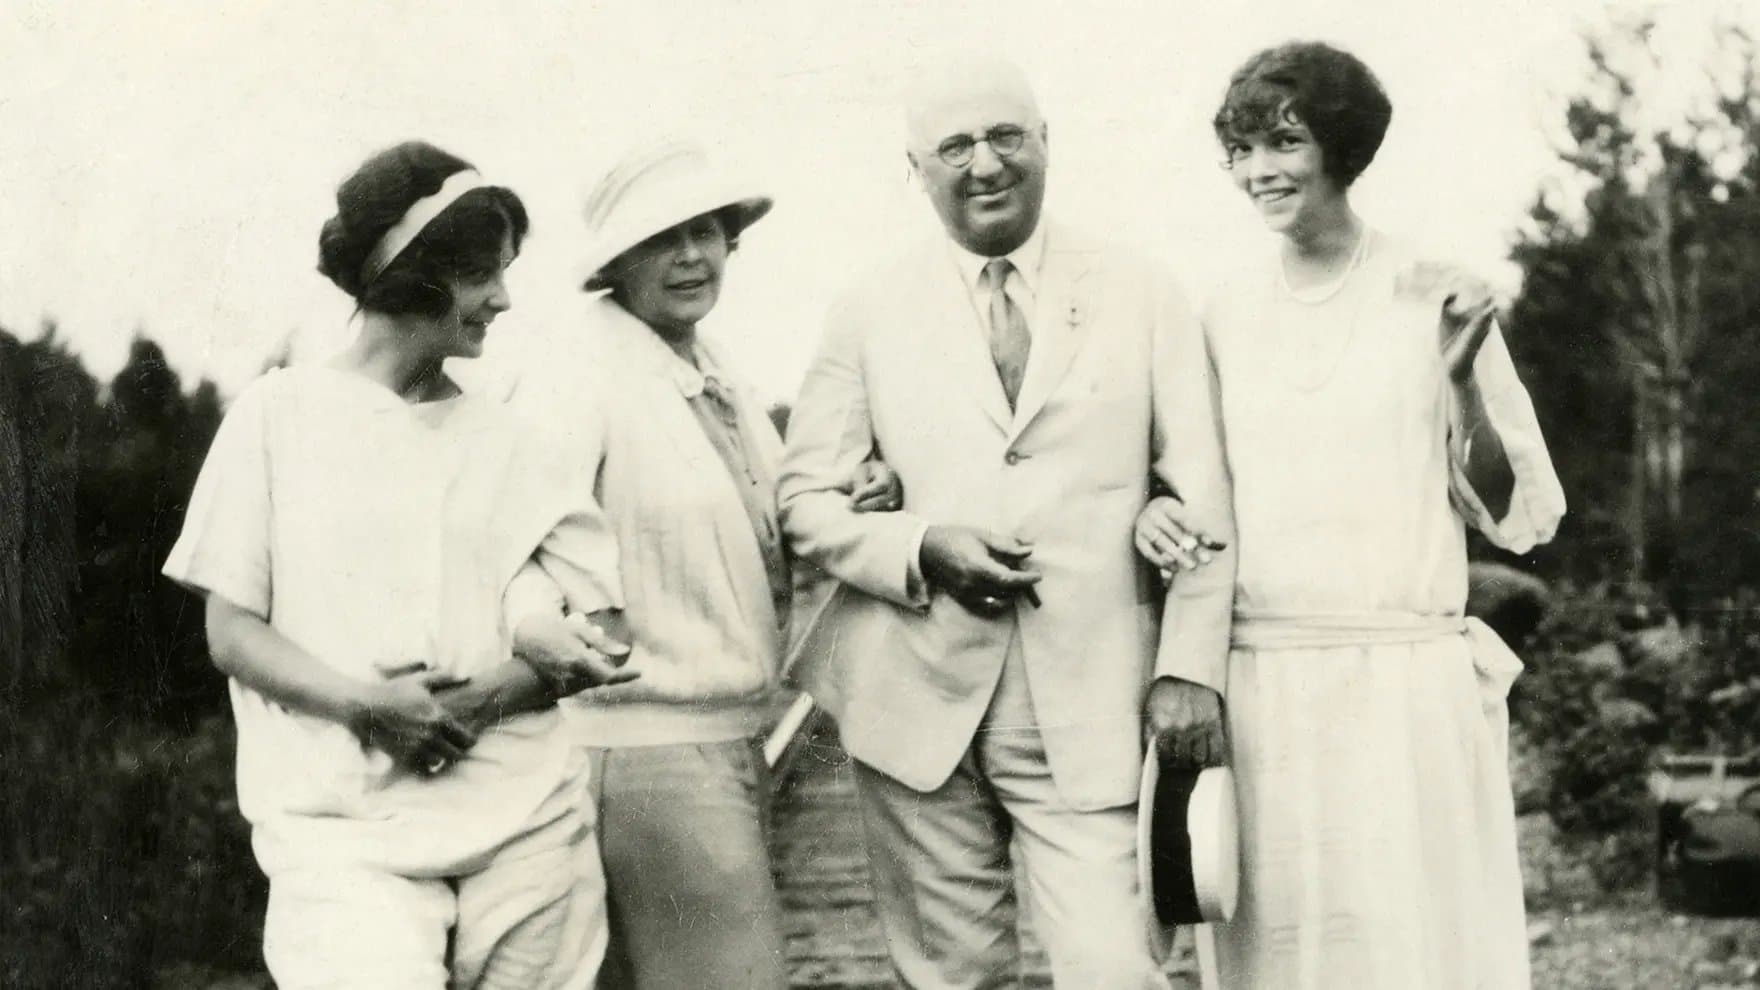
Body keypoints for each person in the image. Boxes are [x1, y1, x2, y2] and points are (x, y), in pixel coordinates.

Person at [776, 56, 1234, 989]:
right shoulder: (867, 309)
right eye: (954, 146)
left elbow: (1205, 492)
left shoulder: (1141, 291)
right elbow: (805, 504)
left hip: (1094, 698)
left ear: (1046, 146)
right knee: (951, 978)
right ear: (915, 168)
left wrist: (1189, 668)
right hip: (914, 702)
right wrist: (919, 545)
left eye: (1005, 137)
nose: (984, 164)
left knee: (1115, 967)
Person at [1135, 42, 1566, 989]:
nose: (1258, 172)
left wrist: (1464, 389)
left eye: (1282, 144)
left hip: (1404, 690)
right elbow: (1189, 487)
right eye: (1241, 151)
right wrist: (1154, 518)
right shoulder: (1220, 309)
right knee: (1284, 951)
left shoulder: (1433, 289)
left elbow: (1516, 515)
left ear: (1342, 146)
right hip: (1265, 688)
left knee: (1411, 948)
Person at [162, 141, 633, 988]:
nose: (503, 298)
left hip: (527, 825)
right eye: (484, 274)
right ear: (417, 274)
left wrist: (478, 699)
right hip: (341, 833)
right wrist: (370, 707)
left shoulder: (513, 437)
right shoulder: (277, 416)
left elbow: (597, 630)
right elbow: (231, 633)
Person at [503, 138, 902, 990]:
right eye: (661, 239)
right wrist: (542, 632)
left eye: (707, 232)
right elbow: (517, 543)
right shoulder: (581, 371)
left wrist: (850, 499)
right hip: (640, 748)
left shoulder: (709, 368)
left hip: (720, 740)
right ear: (615, 262)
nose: (690, 256)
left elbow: (758, 530)